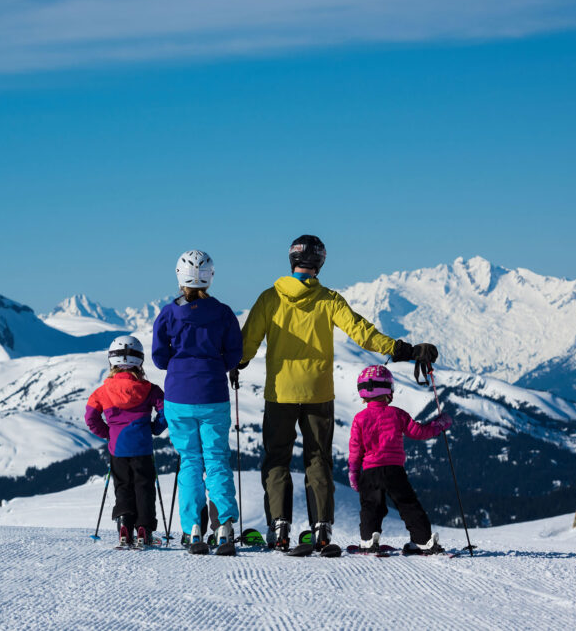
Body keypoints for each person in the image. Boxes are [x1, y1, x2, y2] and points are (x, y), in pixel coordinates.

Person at [237, 234, 438, 551]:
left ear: (292, 260)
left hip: (279, 394)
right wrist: (405, 350)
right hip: (318, 392)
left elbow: (245, 344)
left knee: (276, 459)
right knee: (318, 460)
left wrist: (236, 363)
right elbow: (363, 332)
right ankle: (322, 529)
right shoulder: (329, 299)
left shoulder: (269, 299)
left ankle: (279, 528)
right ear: (320, 263)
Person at [152, 250, 243, 555]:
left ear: (179, 276)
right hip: (213, 394)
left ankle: (194, 529)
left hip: (179, 395)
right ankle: (225, 527)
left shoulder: (168, 313)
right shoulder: (224, 312)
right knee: (216, 460)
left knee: (190, 461)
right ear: (210, 276)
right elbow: (234, 355)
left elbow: (159, 358)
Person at [349, 364, 452, 553]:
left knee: (371, 507)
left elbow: (355, 450)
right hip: (394, 470)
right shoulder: (397, 414)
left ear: (363, 393)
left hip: (370, 471)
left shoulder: (359, 419)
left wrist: (354, 472)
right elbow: (419, 432)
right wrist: (439, 426)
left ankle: (368, 539)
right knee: (408, 504)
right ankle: (423, 540)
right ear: (388, 390)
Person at [85, 335, 167, 547]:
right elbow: (166, 410)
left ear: (111, 360)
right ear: (139, 361)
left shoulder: (102, 391)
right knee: (144, 487)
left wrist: (108, 433)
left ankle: (124, 526)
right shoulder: (150, 389)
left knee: (122, 487)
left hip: (118, 448)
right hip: (142, 447)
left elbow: (90, 418)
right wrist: (155, 428)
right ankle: (144, 529)